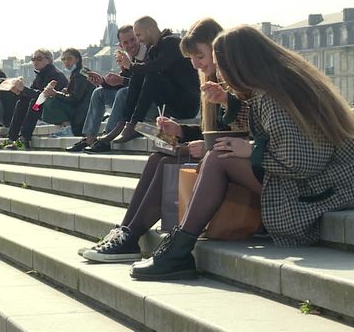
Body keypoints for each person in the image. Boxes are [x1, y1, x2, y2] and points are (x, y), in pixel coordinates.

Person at [128, 25, 354, 281]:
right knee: (218, 155)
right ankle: (176, 248)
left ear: (238, 64)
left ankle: (177, 249)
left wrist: (251, 150)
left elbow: (301, 162)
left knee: (218, 158)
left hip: (320, 189)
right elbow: (271, 126)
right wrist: (230, 107)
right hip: (328, 182)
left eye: (221, 65)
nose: (219, 72)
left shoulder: (275, 95)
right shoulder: (280, 84)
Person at [82, 18, 248, 263]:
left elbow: (244, 133)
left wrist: (207, 142)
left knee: (165, 163)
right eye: (191, 59)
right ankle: (126, 230)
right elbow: (212, 129)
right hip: (225, 156)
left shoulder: (236, 83)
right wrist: (179, 130)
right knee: (158, 156)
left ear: (218, 51)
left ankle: (130, 236)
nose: (195, 65)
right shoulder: (213, 81)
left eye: (200, 57)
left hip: (235, 163)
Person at [113, 16, 201, 144]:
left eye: (138, 35)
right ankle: (125, 123)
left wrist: (131, 66)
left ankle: (134, 123)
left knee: (150, 74)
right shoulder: (153, 49)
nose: (138, 40)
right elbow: (143, 71)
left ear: (149, 30)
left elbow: (158, 66)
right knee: (138, 74)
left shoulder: (172, 42)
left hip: (187, 103)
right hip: (171, 103)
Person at [65, 25, 144, 153]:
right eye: (125, 42)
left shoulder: (145, 56)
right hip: (130, 102)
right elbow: (124, 83)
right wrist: (103, 82)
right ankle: (89, 138)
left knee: (123, 92)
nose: (130, 45)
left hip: (145, 104)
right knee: (99, 92)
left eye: (132, 40)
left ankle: (106, 138)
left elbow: (146, 85)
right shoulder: (127, 59)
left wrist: (122, 79)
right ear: (121, 45)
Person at [0, 49, 67, 150]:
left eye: (39, 59)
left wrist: (24, 89)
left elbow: (43, 96)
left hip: (56, 109)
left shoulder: (55, 75)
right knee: (22, 102)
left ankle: (24, 139)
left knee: (36, 102)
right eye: (33, 59)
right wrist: (19, 92)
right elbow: (30, 94)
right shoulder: (40, 76)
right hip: (44, 107)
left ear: (48, 60)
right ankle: (12, 138)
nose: (35, 62)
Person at [42, 48, 95, 137]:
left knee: (51, 102)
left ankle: (68, 128)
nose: (66, 62)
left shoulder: (80, 73)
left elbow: (75, 99)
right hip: (83, 109)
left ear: (77, 59)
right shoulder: (78, 72)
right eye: (63, 59)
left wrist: (55, 93)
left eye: (69, 59)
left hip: (83, 111)